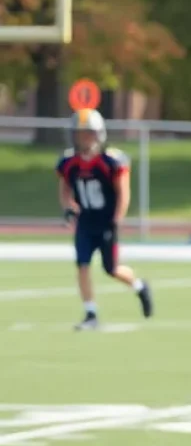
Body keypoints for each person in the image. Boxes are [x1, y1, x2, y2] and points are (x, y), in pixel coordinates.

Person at [56, 108, 152, 330]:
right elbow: (64, 189)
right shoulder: (69, 162)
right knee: (82, 265)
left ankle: (139, 286)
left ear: (98, 134)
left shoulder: (110, 161)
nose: (84, 138)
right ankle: (91, 313)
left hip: (106, 221)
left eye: (88, 133)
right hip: (86, 222)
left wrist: (117, 219)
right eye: (80, 133)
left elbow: (123, 192)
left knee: (112, 269)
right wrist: (68, 207)